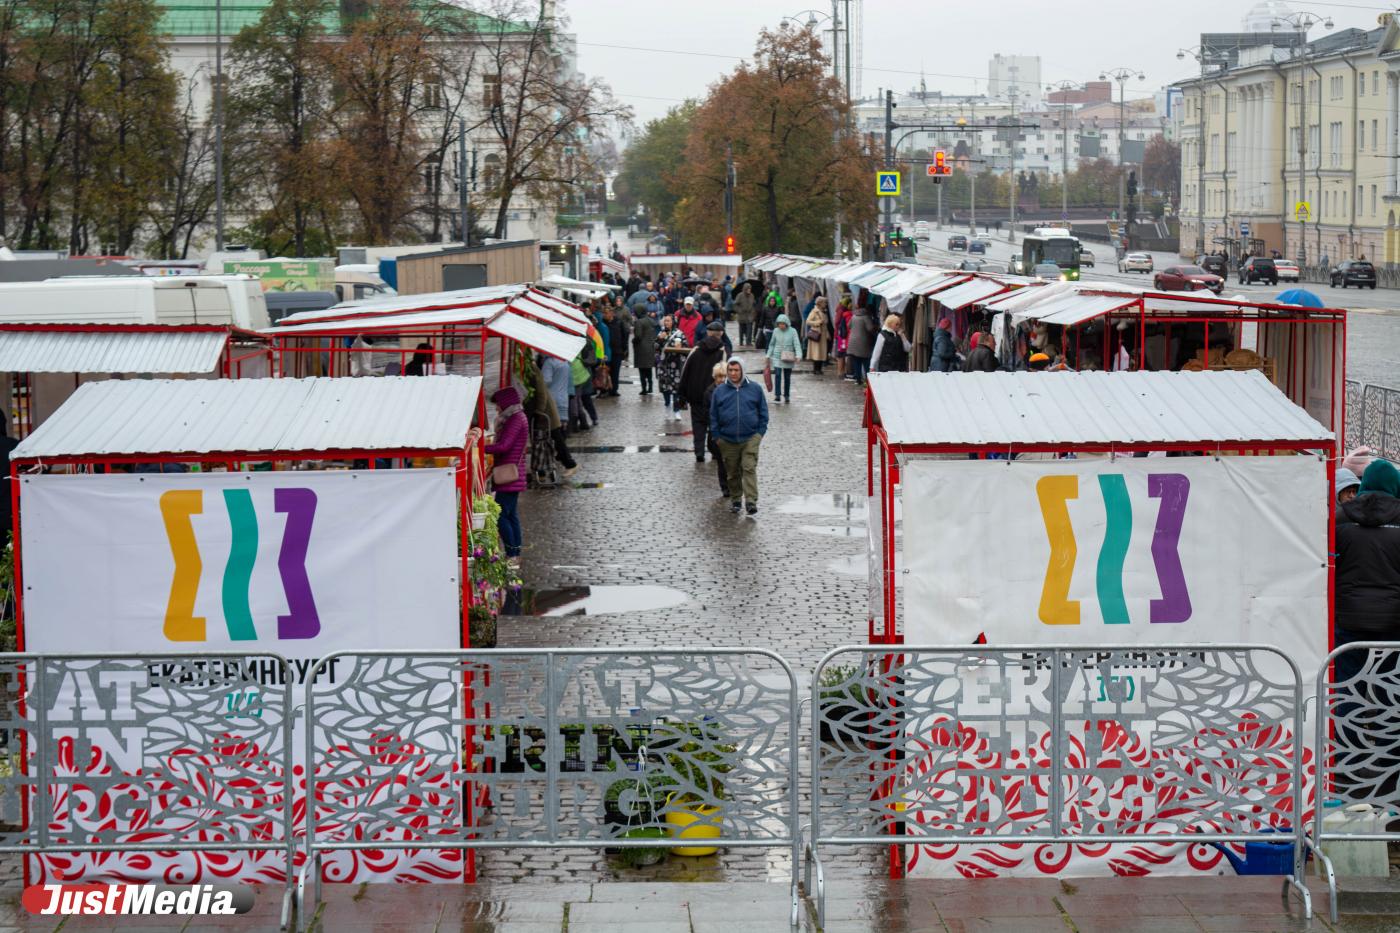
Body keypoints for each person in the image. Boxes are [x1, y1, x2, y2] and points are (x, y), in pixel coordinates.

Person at [711, 358, 769, 516]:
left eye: (736, 370)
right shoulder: (720, 391)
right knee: (732, 472)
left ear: (742, 370)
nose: (733, 373)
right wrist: (717, 437)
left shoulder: (755, 389)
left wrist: (759, 434)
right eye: (730, 370)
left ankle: (751, 501)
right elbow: (713, 415)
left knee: (748, 467)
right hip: (727, 439)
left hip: (750, 437)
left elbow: (763, 413)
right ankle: (736, 499)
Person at [477, 385, 529, 558]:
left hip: (509, 476)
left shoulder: (515, 419)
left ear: (506, 403)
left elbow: (504, 446)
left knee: (501, 517)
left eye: (498, 405)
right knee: (510, 515)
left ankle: (512, 553)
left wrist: (481, 447)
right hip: (512, 472)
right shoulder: (516, 417)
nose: (497, 408)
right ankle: (515, 552)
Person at [679, 321, 729, 462]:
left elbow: (685, 372)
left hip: (695, 394)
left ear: (707, 333)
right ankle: (713, 450)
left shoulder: (696, 349)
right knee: (714, 423)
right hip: (715, 394)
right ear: (721, 334)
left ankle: (699, 451)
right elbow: (727, 373)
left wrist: (682, 395)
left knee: (698, 424)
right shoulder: (722, 351)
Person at [539, 354, 579, 477]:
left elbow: (546, 381)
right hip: (562, 399)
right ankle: (561, 460)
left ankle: (569, 463)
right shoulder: (564, 361)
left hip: (552, 401)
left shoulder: (549, 362)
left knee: (555, 434)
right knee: (558, 434)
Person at [703, 362, 731, 498]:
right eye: (719, 376)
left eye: (723, 376)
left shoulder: (732, 390)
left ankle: (733, 485)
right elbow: (708, 414)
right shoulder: (709, 392)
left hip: (731, 433)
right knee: (721, 462)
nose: (721, 379)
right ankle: (725, 487)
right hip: (718, 434)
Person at [658, 315, 690, 421]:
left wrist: (680, 347)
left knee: (676, 389)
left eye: (668, 321)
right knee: (665, 388)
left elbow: (686, 346)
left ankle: (676, 410)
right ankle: (667, 406)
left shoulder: (679, 333)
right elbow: (655, 347)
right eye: (665, 321)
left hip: (676, 366)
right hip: (664, 365)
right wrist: (660, 340)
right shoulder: (661, 333)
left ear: (673, 322)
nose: (666, 323)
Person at [765, 313, 801, 403]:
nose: (781, 325)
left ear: (786, 323)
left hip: (788, 356)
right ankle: (777, 395)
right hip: (777, 356)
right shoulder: (776, 331)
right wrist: (768, 355)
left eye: (782, 323)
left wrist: (798, 355)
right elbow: (772, 344)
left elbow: (796, 344)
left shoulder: (793, 331)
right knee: (777, 375)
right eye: (779, 323)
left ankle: (787, 395)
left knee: (787, 377)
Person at [846, 306, 878, 386]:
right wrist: (876, 328)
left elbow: (848, 325)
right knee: (866, 361)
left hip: (853, 342)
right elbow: (870, 328)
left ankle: (858, 379)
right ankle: (868, 380)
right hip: (863, 342)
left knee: (856, 362)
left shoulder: (854, 316)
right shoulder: (866, 317)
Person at [632, 306, 659, 395]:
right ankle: (650, 387)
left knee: (642, 370)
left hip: (641, 349)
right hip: (650, 348)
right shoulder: (651, 320)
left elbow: (638, 336)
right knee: (648, 369)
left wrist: (633, 340)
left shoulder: (639, 322)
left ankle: (644, 388)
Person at [603, 305, 628, 397]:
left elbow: (624, 336)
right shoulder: (603, 323)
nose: (604, 315)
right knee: (606, 371)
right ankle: (606, 388)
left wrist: (624, 348)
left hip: (617, 351)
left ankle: (614, 389)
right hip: (607, 352)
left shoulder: (619, 322)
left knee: (615, 372)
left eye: (606, 313)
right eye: (604, 313)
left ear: (612, 313)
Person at [805, 297, 831, 375]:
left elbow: (826, 324)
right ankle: (816, 369)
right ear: (820, 303)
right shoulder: (814, 311)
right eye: (824, 302)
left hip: (823, 335)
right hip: (816, 335)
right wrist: (818, 322)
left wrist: (828, 334)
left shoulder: (824, 312)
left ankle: (819, 369)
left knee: (822, 352)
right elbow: (808, 321)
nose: (826, 304)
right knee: (816, 352)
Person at [833, 297, 853, 379]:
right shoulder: (843, 311)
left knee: (842, 354)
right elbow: (837, 322)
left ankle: (841, 372)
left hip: (841, 336)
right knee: (841, 354)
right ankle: (840, 372)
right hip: (842, 337)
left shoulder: (840, 310)